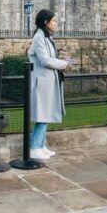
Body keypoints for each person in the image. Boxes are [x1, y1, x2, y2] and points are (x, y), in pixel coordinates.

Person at [28, 9, 71, 160]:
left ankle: (40, 145)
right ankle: (34, 147)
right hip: (42, 83)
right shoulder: (39, 38)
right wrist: (64, 63)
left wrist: (62, 62)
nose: (56, 23)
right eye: (53, 21)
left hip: (47, 82)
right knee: (43, 115)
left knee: (45, 114)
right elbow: (45, 61)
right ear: (45, 22)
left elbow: (50, 58)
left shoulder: (45, 37)